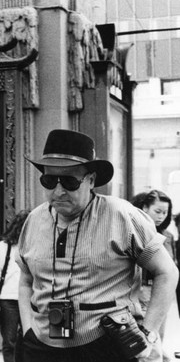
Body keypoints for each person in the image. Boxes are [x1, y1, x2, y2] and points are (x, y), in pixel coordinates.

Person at [15, 129, 178, 362]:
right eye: (49, 181)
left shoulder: (122, 216)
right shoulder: (34, 219)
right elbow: (26, 280)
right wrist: (28, 328)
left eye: (70, 181)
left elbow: (167, 272)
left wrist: (147, 334)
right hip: (42, 346)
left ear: (90, 180)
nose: (58, 191)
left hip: (105, 346)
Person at [131, 190, 176, 362]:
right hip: (141, 291)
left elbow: (172, 268)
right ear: (144, 208)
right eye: (158, 211)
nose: (161, 217)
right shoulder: (137, 232)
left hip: (162, 292)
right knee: (149, 341)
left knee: (158, 337)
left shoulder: (167, 236)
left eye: (165, 213)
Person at [0, 210, 29, 362]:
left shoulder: (36, 247)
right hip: (8, 300)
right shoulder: (3, 248)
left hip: (30, 299)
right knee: (9, 341)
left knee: (29, 339)